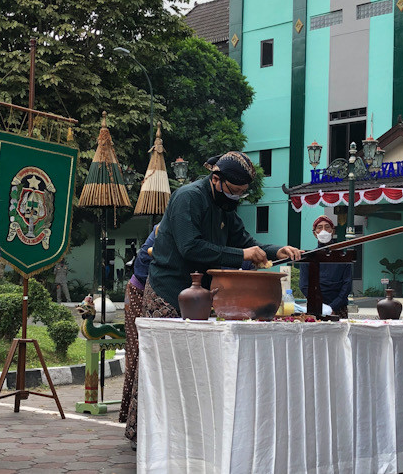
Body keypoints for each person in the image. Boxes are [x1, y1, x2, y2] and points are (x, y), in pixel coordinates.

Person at [124, 151, 303, 445]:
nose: (237, 198)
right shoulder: (187, 197)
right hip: (170, 291)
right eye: (235, 192)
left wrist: (276, 251)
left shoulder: (224, 208)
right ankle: (145, 434)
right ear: (216, 179)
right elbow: (190, 247)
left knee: (191, 364)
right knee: (164, 362)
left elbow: (246, 244)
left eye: (243, 194)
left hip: (203, 296)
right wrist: (242, 255)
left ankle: (183, 433)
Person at [120, 224, 158, 431]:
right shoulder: (163, 228)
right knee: (138, 353)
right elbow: (143, 263)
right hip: (141, 291)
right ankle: (134, 423)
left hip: (163, 295)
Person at [298, 215, 352, 318]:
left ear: (333, 231)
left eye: (327, 227)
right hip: (315, 307)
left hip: (338, 308)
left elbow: (347, 285)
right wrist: (321, 306)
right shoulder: (307, 258)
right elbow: (304, 285)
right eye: (319, 227)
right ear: (315, 233)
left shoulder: (343, 257)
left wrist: (332, 307)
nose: (324, 230)